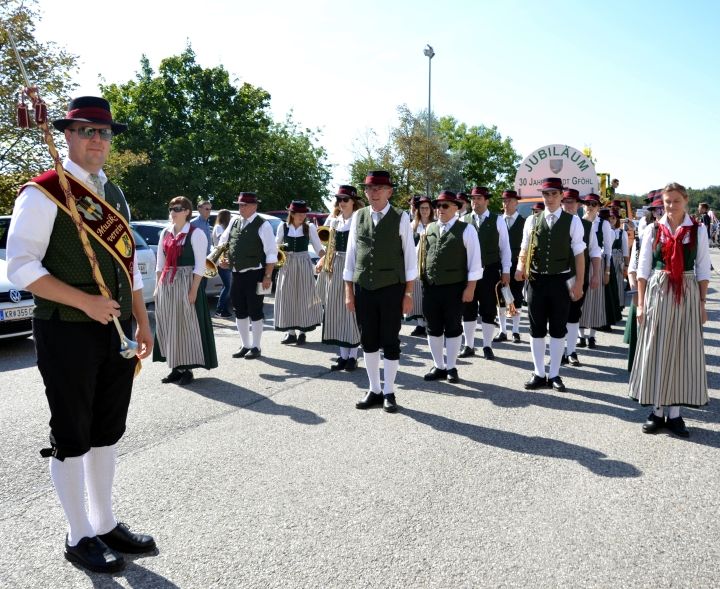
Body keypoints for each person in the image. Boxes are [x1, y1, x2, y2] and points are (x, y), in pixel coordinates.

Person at [7, 96, 155, 573]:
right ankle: (78, 535)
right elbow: (21, 267)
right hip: (66, 330)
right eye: (87, 130)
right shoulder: (44, 190)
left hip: (117, 331)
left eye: (104, 133)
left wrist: (143, 321)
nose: (97, 140)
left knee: (107, 431)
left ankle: (105, 521)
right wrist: (85, 301)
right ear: (67, 134)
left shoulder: (114, 194)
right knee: (72, 434)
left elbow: (127, 265)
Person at [629, 182, 710, 437]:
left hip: (685, 291)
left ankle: (675, 414)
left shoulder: (697, 230)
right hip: (658, 290)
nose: (671, 206)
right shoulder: (654, 229)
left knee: (680, 350)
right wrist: (640, 304)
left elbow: (703, 268)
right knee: (658, 348)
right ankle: (657, 410)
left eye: (676, 201)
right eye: (667, 201)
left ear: (685, 201)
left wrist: (701, 304)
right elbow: (642, 270)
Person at [343, 170, 418, 413]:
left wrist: (408, 293)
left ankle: (389, 391)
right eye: (369, 189)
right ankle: (374, 389)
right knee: (368, 340)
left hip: (391, 289)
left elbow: (409, 256)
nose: (373, 193)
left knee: (390, 340)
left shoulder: (401, 216)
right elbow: (352, 255)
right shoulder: (358, 216)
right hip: (364, 287)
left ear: (389, 192)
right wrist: (348, 291)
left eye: (379, 189)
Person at [515, 178, 585, 392]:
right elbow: (524, 248)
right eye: (547, 194)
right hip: (536, 281)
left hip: (560, 281)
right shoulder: (531, 221)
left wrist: (579, 284)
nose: (550, 198)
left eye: (554, 194)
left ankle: (554, 374)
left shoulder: (573, 221)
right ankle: (538, 373)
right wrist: (520, 267)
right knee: (536, 329)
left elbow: (579, 255)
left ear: (561, 195)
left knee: (557, 328)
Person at [153, 196, 218, 384]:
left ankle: (187, 369)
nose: (173, 211)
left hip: (187, 281)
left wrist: (193, 290)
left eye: (178, 208)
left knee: (185, 325)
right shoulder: (166, 232)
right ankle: (175, 367)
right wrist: (158, 287)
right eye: (171, 208)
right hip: (167, 282)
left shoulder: (196, 233)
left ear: (187, 212)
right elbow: (160, 263)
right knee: (169, 323)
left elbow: (200, 266)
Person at [420, 191, 482, 383]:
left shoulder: (467, 229)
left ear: (456, 207)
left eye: (445, 206)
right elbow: (420, 256)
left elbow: (474, 262)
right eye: (438, 206)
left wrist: (470, 288)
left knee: (453, 327)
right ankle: (438, 365)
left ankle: (452, 367)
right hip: (431, 287)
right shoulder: (429, 228)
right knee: (433, 327)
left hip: (455, 287)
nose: (440, 209)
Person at [217, 192, 278, 360]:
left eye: (244, 205)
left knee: (255, 310)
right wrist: (222, 258)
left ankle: (256, 346)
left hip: (256, 273)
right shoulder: (234, 221)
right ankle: (245, 345)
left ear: (254, 206)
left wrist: (267, 276)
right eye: (239, 204)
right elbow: (223, 241)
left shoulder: (262, 225)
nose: (240, 207)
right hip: (236, 273)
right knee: (239, 309)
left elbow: (271, 253)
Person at [459, 186, 511, 360]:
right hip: (468, 272)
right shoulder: (464, 219)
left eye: (479, 198)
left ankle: (487, 346)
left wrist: (506, 271)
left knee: (489, 309)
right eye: (473, 199)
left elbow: (505, 248)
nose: (475, 202)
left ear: (486, 200)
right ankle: (469, 345)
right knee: (468, 308)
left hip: (489, 270)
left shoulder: (498, 220)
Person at [316, 186, 363, 370]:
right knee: (336, 310)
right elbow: (330, 247)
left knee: (351, 311)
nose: (341, 203)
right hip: (335, 267)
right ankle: (342, 356)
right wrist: (322, 260)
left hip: (353, 266)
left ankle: (353, 356)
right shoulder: (334, 221)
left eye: (345, 199)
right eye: (339, 199)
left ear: (353, 201)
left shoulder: (359, 220)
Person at [560, 189, 601, 367]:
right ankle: (559, 350)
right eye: (566, 201)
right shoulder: (555, 222)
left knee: (574, 313)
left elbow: (594, 251)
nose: (569, 205)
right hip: (557, 276)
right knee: (557, 314)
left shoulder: (587, 226)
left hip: (578, 276)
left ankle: (571, 351)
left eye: (573, 202)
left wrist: (596, 275)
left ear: (578, 205)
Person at [274, 200, 324, 343]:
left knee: (305, 296)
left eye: (304, 213)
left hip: (303, 262)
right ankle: (290, 333)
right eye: (299, 213)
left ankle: (303, 331)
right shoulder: (283, 227)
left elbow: (318, 248)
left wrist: (326, 261)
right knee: (287, 296)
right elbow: (276, 246)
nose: (302, 216)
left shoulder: (310, 228)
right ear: (292, 213)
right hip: (287, 263)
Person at [578, 193, 615, 348]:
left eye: (594, 204)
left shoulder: (603, 224)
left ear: (599, 207)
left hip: (596, 265)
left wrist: (606, 271)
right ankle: (581, 336)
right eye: (588, 204)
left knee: (594, 301)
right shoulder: (578, 221)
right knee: (579, 301)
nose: (590, 207)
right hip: (579, 263)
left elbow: (608, 249)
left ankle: (592, 336)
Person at [494, 189, 525, 344]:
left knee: (516, 297)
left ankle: (516, 330)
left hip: (517, 265)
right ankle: (502, 330)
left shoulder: (524, 221)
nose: (506, 204)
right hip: (499, 264)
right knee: (500, 298)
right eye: (504, 201)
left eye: (509, 201)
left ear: (516, 203)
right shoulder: (497, 220)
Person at [407, 195, 434, 336]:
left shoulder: (435, 225)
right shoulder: (412, 226)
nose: (424, 211)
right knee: (417, 294)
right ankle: (420, 325)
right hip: (416, 264)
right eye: (422, 208)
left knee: (429, 294)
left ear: (431, 210)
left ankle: (430, 322)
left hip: (430, 264)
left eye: (427, 208)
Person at [211, 209, 233, 318]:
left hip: (225, 258)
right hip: (221, 259)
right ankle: (220, 310)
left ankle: (223, 308)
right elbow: (222, 241)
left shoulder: (222, 227)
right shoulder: (219, 227)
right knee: (227, 286)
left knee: (227, 285)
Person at [608, 208, 629, 310]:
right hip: (607, 259)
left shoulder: (622, 233)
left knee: (619, 282)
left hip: (618, 260)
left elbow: (625, 251)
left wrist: (626, 265)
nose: (611, 220)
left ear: (617, 219)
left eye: (613, 218)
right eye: (609, 218)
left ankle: (618, 305)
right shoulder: (605, 230)